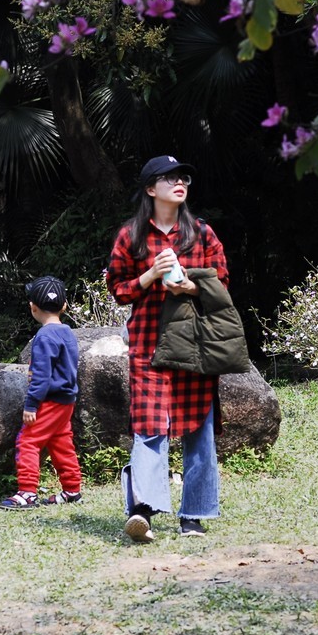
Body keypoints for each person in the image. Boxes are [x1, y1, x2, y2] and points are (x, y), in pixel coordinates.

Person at [106, 155, 230, 541]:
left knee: (199, 428)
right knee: (148, 425)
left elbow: (222, 283)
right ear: (149, 189)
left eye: (184, 178)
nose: (180, 183)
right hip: (148, 345)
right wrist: (151, 275)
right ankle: (142, 509)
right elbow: (118, 290)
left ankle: (192, 514)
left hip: (195, 345)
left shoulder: (202, 234)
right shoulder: (131, 236)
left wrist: (191, 287)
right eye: (170, 178)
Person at [0, 276, 82, 509]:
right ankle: (72, 490)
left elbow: (42, 377)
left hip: (49, 401)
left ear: (33, 307)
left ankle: (27, 492)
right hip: (66, 401)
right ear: (64, 306)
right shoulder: (68, 332)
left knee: (28, 441)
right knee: (61, 443)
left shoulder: (44, 336)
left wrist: (31, 404)